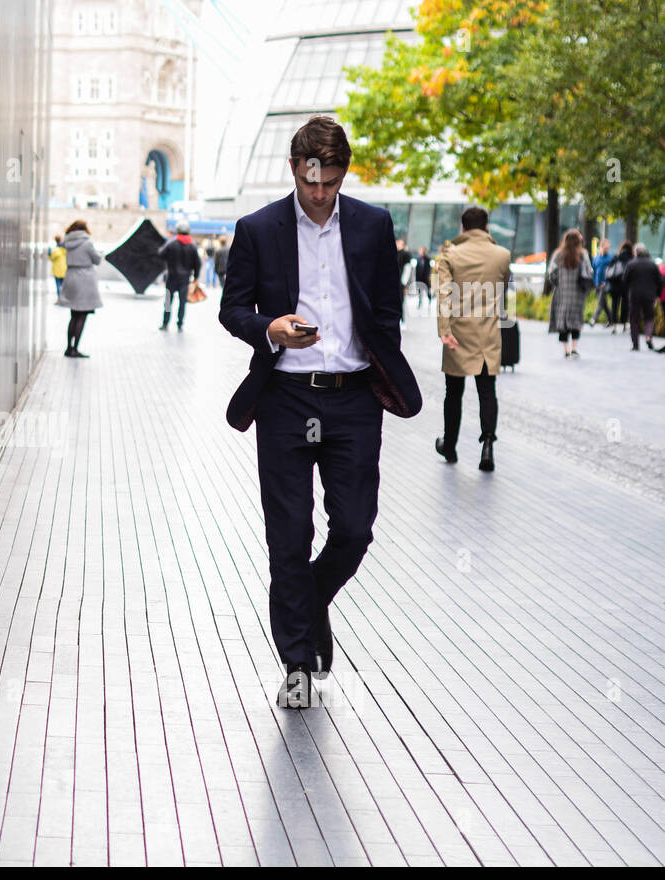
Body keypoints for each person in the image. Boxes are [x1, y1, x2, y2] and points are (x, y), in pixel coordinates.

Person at [218, 115, 422, 709]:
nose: (319, 194)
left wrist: (384, 358)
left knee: (355, 529)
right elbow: (233, 311)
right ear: (294, 170)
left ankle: (308, 599)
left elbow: (386, 308)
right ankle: (298, 663)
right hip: (285, 396)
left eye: (331, 183)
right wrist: (271, 328)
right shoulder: (258, 229)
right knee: (289, 533)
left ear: (342, 175)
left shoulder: (372, 225)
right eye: (311, 182)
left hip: (354, 397)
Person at [433, 207, 511, 472]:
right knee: (487, 391)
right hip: (487, 334)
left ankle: (450, 445)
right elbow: (503, 286)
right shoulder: (502, 255)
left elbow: (444, 294)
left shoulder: (449, 256)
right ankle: (487, 445)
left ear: (463, 228)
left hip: (458, 334)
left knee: (453, 392)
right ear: (486, 227)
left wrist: (444, 331)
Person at [58, 220, 102, 358]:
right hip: (84, 279)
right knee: (82, 316)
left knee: (73, 315)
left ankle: (68, 347)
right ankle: (75, 348)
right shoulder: (86, 242)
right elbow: (97, 260)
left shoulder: (67, 242)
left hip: (71, 277)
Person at [547, 229, 593, 357]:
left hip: (562, 293)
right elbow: (589, 271)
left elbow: (551, 273)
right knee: (576, 319)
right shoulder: (582, 255)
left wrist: (557, 283)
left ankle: (566, 349)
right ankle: (574, 347)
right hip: (578, 294)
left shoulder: (559, 255)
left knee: (563, 321)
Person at [158, 221, 202, 330]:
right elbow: (198, 263)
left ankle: (165, 323)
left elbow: (161, 254)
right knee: (182, 303)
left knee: (168, 302)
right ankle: (180, 324)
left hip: (171, 278)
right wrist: (196, 277)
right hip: (185, 280)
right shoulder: (193, 246)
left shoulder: (172, 243)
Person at [623, 242, 664, 351]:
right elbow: (660, 280)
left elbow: (625, 280)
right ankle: (648, 336)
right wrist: (657, 294)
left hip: (634, 295)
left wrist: (628, 291)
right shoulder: (652, 264)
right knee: (649, 317)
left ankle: (635, 344)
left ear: (635, 252)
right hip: (649, 295)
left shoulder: (631, 264)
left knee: (634, 319)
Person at [604, 240, 633, 333]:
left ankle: (613, 325)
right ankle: (624, 323)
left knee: (614, 305)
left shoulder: (616, 256)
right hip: (626, 285)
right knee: (625, 304)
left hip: (615, 285)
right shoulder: (631, 258)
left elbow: (609, 269)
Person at [591, 238, 614, 325]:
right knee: (604, 304)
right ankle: (612, 320)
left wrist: (607, 281)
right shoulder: (596, 258)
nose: (606, 250)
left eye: (607, 248)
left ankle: (593, 319)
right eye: (604, 248)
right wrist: (593, 281)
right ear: (600, 247)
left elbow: (612, 271)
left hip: (605, 283)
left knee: (600, 302)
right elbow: (594, 270)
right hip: (597, 283)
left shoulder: (610, 258)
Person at [414, 245, 434, 310]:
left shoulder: (427, 258)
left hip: (425, 277)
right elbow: (416, 269)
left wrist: (429, 276)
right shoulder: (417, 258)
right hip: (419, 277)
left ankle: (429, 300)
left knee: (427, 290)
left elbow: (429, 268)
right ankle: (420, 302)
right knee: (419, 290)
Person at [48, 235, 67, 300]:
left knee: (58, 285)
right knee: (64, 286)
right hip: (65, 270)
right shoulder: (66, 249)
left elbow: (51, 259)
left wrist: (49, 254)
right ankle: (64, 298)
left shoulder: (55, 250)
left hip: (57, 270)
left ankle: (60, 299)